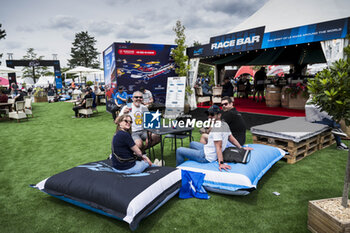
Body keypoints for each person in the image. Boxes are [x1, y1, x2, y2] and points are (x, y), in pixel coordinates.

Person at [176, 105, 253, 171]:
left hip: (206, 156)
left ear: (219, 115)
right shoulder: (224, 124)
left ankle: (179, 171)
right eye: (209, 114)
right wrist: (241, 148)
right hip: (208, 149)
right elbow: (231, 137)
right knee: (192, 143)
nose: (209, 116)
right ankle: (190, 163)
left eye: (212, 115)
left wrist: (221, 163)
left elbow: (218, 147)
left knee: (179, 150)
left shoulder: (217, 128)